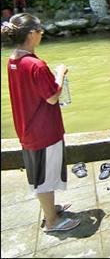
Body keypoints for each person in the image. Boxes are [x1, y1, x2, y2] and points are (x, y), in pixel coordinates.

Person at [1, 14, 80, 233]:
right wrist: (60, 73)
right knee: (46, 175)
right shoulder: (36, 64)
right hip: (44, 128)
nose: (42, 34)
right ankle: (52, 222)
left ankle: (50, 210)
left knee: (39, 173)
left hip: (27, 127)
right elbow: (53, 96)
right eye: (40, 31)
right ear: (31, 34)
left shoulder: (13, 60)